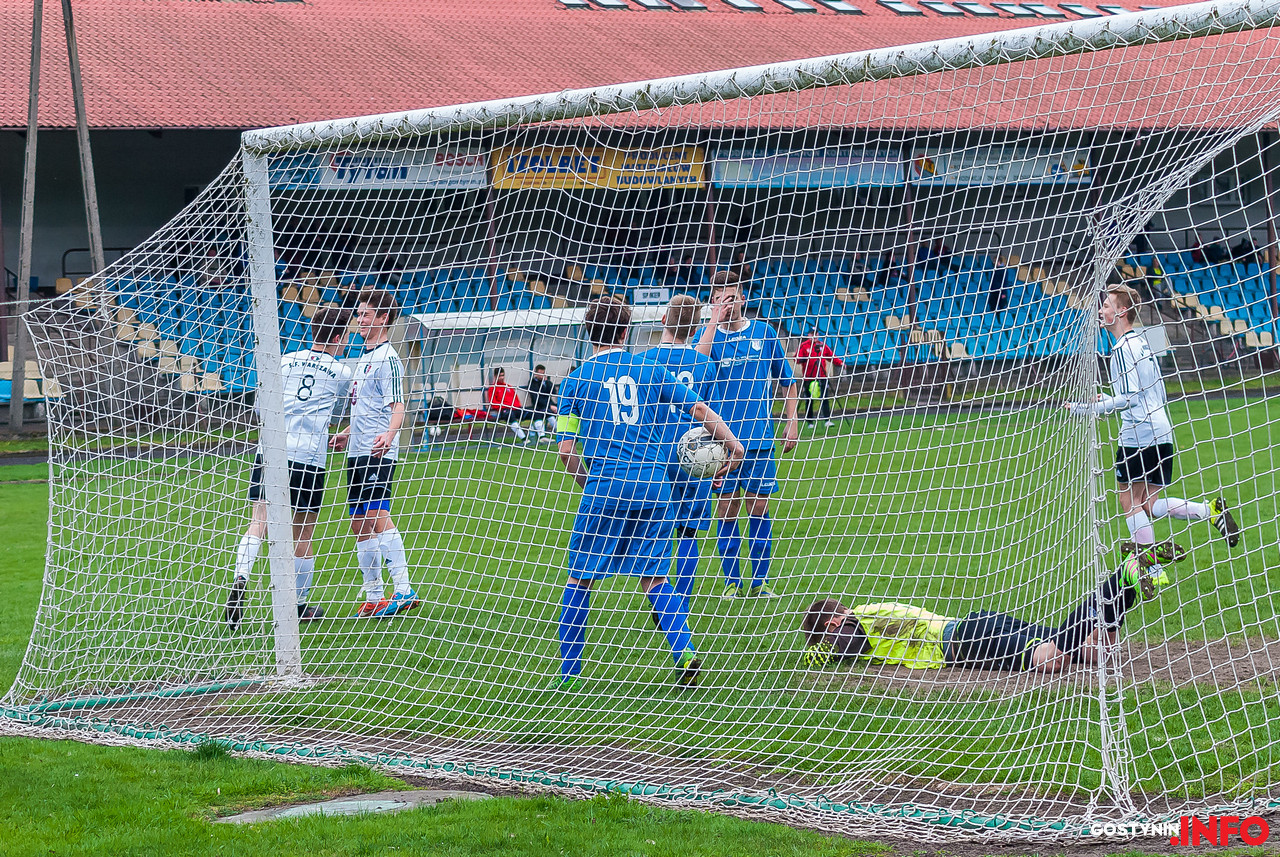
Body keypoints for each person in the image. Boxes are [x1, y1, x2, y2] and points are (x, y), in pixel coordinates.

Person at [553, 297, 744, 690]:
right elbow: (701, 412)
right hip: (655, 487)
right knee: (654, 578)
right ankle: (686, 652)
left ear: (588, 333)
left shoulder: (574, 381)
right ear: (626, 332)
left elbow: (566, 449)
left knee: (580, 579)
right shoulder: (650, 368)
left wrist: (587, 484)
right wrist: (734, 446)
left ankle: (569, 676)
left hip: (606, 484)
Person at [1065, 286, 1239, 582]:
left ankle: (1153, 569)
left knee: (1128, 501)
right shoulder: (1143, 344)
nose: (1100, 310)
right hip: (1162, 430)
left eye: (1106, 305)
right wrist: (1109, 396)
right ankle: (1207, 511)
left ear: (1120, 312)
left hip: (1138, 433)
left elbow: (1132, 398)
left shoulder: (1121, 349)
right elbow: (1150, 392)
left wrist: (1087, 407)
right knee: (1150, 504)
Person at [799, 545, 1179, 673]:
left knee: (1051, 660)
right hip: (975, 629)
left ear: (836, 623)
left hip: (965, 640)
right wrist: (820, 649)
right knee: (1097, 653)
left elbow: (907, 618)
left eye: (829, 639)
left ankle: (1114, 583)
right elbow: (818, 656)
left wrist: (853, 629)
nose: (832, 650)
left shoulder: (869, 617)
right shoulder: (853, 635)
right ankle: (1124, 579)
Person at [225, 307, 355, 630]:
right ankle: (299, 605)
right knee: (303, 531)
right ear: (338, 338)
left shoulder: (283, 361)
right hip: (308, 457)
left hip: (271, 450)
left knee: (259, 521)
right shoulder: (341, 372)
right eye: (346, 339)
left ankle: (241, 576)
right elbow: (341, 412)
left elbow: (260, 405)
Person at [695, 271, 799, 598]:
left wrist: (791, 420)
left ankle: (759, 582)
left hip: (758, 440)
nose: (729, 304)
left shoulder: (764, 333)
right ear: (712, 304)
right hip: (719, 443)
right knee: (726, 509)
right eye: (721, 299)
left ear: (744, 299)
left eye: (733, 297)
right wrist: (714, 321)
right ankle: (731, 583)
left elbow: (788, 382)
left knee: (758, 508)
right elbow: (696, 364)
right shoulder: (707, 336)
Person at [330, 288, 418, 618]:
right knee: (358, 522)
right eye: (358, 314)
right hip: (356, 451)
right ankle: (374, 596)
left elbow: (398, 405)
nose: (359, 319)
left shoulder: (389, 358)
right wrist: (346, 433)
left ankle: (404, 589)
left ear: (383, 318)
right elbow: (365, 410)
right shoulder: (362, 357)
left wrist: (390, 434)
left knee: (377, 517)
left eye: (366, 314)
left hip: (378, 452)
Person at [641, 295, 723, 601]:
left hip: (654, 457)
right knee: (688, 532)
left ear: (663, 320)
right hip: (694, 459)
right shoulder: (705, 365)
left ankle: (660, 599)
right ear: (695, 329)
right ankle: (682, 603)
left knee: (655, 533)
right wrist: (718, 461)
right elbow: (707, 412)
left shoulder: (644, 361)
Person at [796, 326, 843, 430]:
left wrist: (839, 362)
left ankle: (827, 419)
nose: (814, 336)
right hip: (809, 377)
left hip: (821, 376)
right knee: (809, 399)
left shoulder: (822, 345)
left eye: (816, 334)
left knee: (825, 398)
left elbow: (831, 356)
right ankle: (810, 422)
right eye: (812, 334)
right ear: (808, 335)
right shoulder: (804, 346)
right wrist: (804, 359)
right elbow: (797, 358)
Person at [485, 367, 531, 442]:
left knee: (532, 414)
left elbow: (516, 399)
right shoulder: (493, 388)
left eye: (503, 375)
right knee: (510, 415)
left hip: (515, 408)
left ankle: (541, 437)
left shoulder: (508, 387)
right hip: (504, 410)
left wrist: (517, 406)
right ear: (495, 376)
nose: (502, 378)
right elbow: (493, 403)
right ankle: (524, 439)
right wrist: (506, 406)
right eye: (499, 376)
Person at [524, 364, 559, 443]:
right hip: (539, 406)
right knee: (548, 413)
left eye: (543, 373)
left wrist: (547, 381)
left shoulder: (546, 382)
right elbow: (536, 399)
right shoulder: (533, 383)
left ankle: (561, 432)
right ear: (535, 373)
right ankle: (544, 435)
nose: (541, 376)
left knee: (556, 411)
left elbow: (553, 391)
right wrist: (550, 406)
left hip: (549, 405)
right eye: (540, 373)